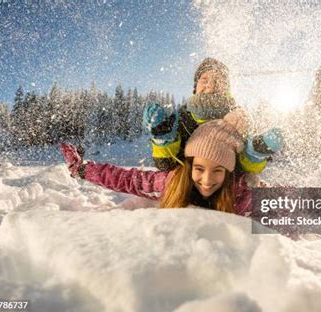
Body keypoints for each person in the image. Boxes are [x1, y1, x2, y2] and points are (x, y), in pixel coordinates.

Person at [60, 113, 253, 216]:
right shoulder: (172, 182)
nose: (207, 179)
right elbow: (126, 179)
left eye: (217, 171)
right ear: (189, 166)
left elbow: (279, 207)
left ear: (228, 172)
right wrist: (83, 169)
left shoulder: (242, 194)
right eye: (199, 169)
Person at [143, 57, 285, 174]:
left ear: (227, 89)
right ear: (195, 87)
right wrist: (163, 141)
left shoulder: (239, 119)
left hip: (226, 194)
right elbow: (167, 166)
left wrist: (255, 154)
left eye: (218, 81)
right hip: (185, 190)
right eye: (204, 80)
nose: (210, 85)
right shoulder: (181, 117)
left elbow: (246, 172)